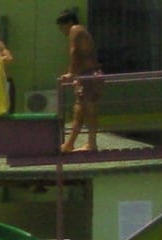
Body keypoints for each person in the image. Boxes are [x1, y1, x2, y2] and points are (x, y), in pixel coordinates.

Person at [57, 9, 102, 153]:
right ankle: (69, 144)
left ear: (69, 22)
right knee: (79, 111)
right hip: (86, 75)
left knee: (87, 110)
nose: (62, 30)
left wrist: (71, 73)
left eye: (62, 26)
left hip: (89, 75)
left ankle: (91, 144)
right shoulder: (81, 31)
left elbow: (74, 51)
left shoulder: (75, 29)